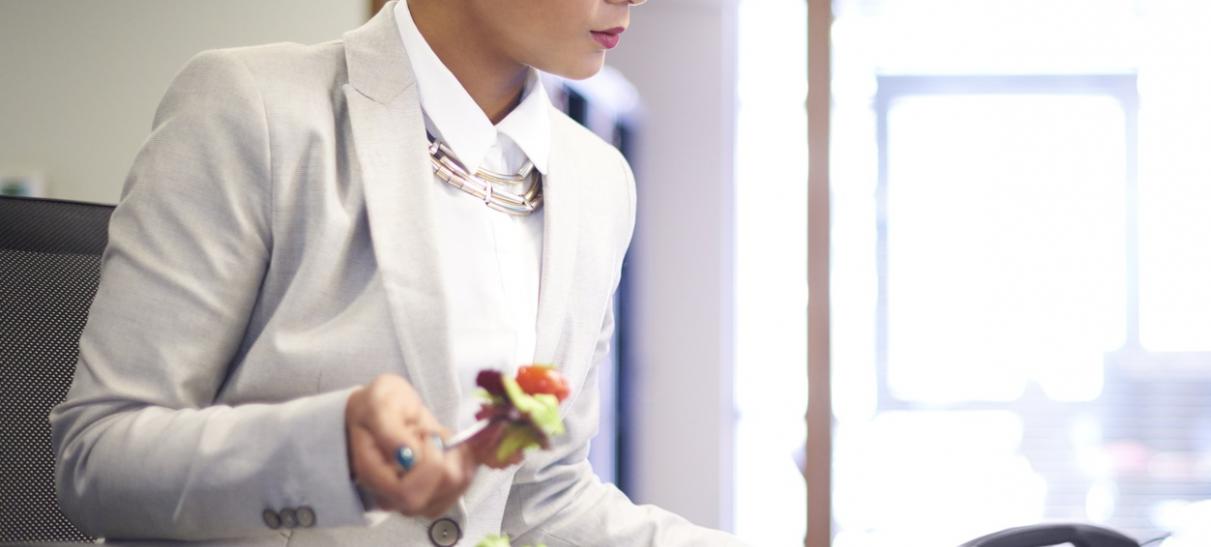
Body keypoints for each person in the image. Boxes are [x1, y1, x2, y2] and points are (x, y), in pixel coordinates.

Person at [48, 1, 744, 545]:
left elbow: (541, 499)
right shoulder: (252, 106)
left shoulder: (599, 182)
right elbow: (97, 453)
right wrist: (332, 450)